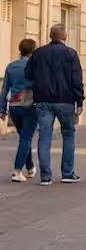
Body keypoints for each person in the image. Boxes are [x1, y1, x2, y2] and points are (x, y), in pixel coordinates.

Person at [26, 24, 84, 186]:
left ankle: (45, 176)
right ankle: (67, 172)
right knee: (68, 134)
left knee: (44, 135)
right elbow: (76, 79)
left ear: (51, 36)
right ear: (65, 36)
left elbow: (28, 74)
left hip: (42, 100)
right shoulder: (71, 53)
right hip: (65, 100)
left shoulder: (38, 53)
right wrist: (79, 101)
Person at [2, 39, 37, 182]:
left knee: (24, 137)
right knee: (26, 138)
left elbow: (4, 89)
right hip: (30, 104)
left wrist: (2, 109)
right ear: (33, 51)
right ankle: (17, 171)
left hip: (14, 106)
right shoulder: (35, 66)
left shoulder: (11, 66)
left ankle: (30, 167)